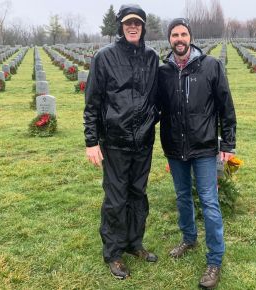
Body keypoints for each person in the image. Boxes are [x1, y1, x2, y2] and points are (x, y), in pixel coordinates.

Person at [157, 18, 237, 289]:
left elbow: (226, 106)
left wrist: (227, 144)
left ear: (190, 37)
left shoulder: (210, 66)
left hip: (203, 147)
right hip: (174, 147)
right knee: (182, 197)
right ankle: (189, 239)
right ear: (169, 39)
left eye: (183, 34)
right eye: (174, 35)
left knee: (209, 202)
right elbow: (155, 109)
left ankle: (214, 259)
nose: (179, 39)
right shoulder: (163, 72)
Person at [83, 4, 159, 280]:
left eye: (137, 23)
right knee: (115, 200)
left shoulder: (152, 57)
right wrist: (92, 141)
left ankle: (134, 243)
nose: (132, 27)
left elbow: (157, 97)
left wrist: (153, 120)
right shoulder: (104, 58)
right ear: (120, 26)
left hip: (143, 142)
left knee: (138, 195)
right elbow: (92, 103)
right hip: (115, 142)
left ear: (143, 27)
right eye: (128, 23)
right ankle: (113, 252)